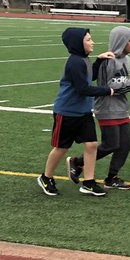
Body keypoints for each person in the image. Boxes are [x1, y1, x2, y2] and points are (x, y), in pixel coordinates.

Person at [37, 28, 117, 198]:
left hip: (83, 112)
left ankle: (88, 183)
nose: (92, 42)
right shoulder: (74, 62)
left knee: (91, 144)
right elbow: (82, 88)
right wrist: (108, 91)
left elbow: (90, 76)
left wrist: (98, 61)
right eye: (88, 39)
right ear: (78, 43)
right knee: (62, 147)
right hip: (67, 112)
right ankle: (46, 178)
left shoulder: (84, 59)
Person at [73, 25, 130, 191]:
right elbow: (109, 86)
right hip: (107, 108)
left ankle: (112, 177)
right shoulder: (109, 60)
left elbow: (122, 81)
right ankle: (78, 162)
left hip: (121, 107)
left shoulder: (126, 59)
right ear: (120, 41)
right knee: (111, 144)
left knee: (125, 144)